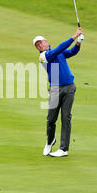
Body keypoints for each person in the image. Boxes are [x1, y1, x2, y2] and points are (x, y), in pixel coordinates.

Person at [33, 28, 84, 157]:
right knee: (51, 119)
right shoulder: (43, 56)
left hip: (69, 87)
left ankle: (63, 149)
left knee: (66, 118)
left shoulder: (58, 52)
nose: (39, 45)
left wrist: (78, 42)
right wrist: (74, 36)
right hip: (55, 89)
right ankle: (50, 141)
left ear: (46, 41)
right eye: (37, 45)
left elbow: (72, 52)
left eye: (41, 42)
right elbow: (59, 48)